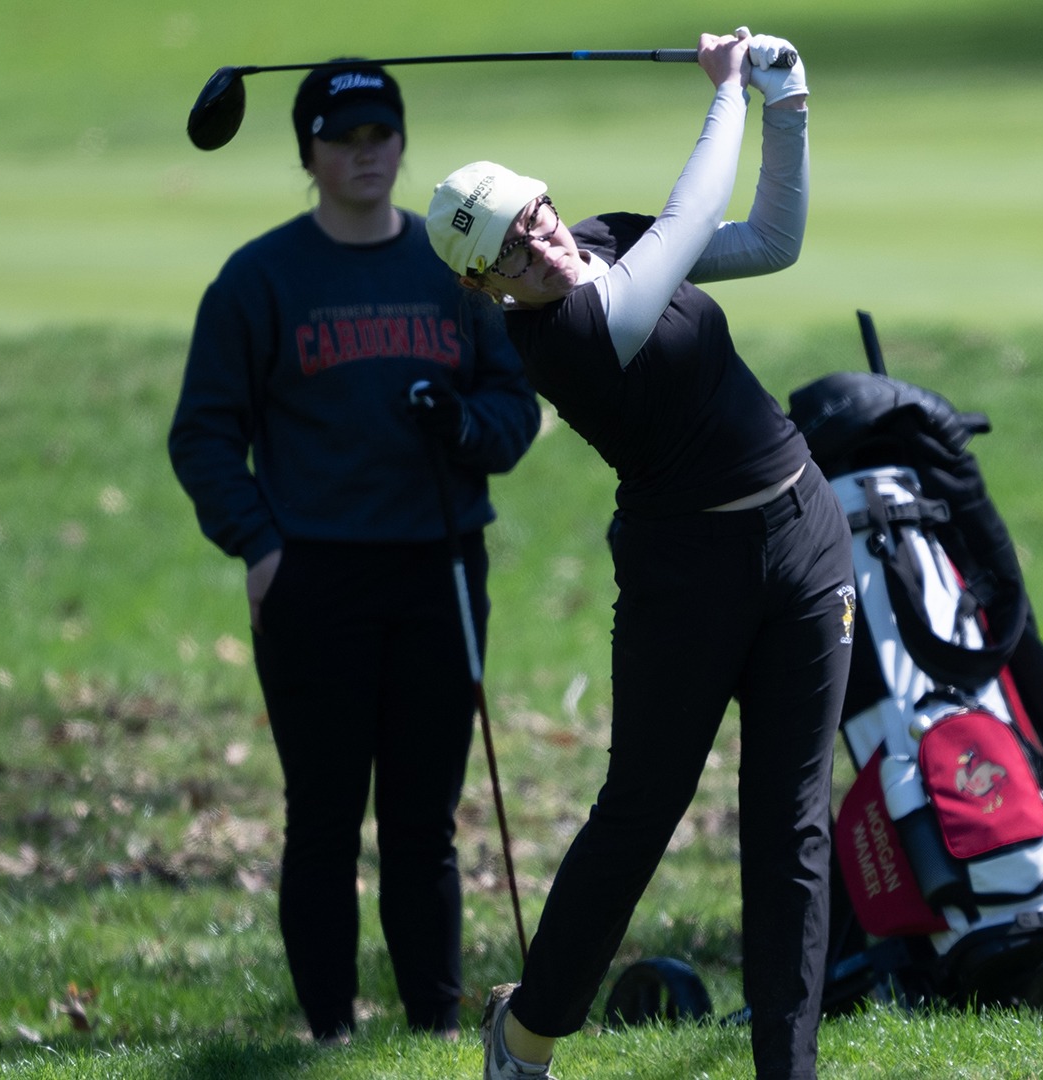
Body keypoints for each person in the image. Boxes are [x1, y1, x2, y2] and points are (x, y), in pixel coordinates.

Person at [424, 28, 850, 1080]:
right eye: (513, 252)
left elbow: (767, 239)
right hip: (685, 579)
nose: (543, 244)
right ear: (486, 288)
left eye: (538, 215)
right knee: (641, 811)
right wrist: (727, 96)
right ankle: (525, 1038)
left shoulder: (598, 239)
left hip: (804, 538)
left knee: (790, 827)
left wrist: (787, 104)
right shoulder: (564, 333)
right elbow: (696, 209)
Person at [167, 60, 541, 1042]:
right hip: (314, 578)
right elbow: (203, 433)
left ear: (403, 143)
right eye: (345, 137)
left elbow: (511, 412)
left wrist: (461, 425)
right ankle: (330, 1031)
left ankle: (432, 1029)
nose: (366, 152)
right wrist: (257, 544)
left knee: (424, 822)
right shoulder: (261, 279)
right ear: (310, 154)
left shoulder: (451, 267)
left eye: (382, 133)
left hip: (441, 567)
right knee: (325, 820)